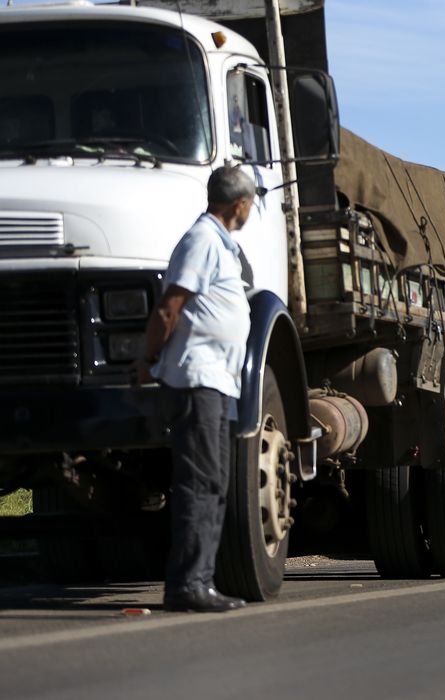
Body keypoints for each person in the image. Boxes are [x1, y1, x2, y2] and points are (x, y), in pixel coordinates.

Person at [131, 165, 255, 613]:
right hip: (196, 378)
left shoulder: (219, 243)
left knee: (214, 482)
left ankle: (199, 579)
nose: (251, 210)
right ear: (239, 204)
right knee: (201, 482)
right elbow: (170, 308)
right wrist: (148, 361)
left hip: (216, 381)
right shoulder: (202, 240)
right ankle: (188, 585)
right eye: (251, 203)